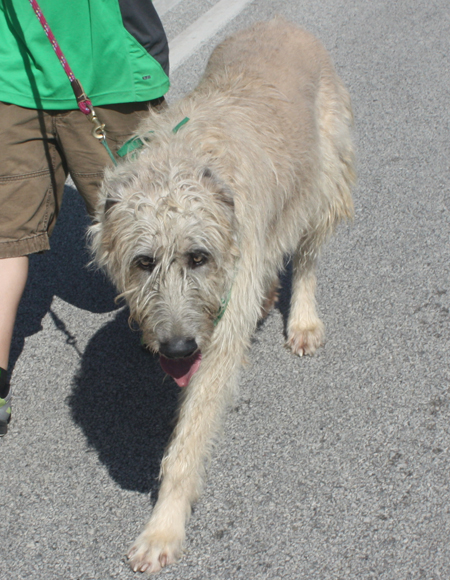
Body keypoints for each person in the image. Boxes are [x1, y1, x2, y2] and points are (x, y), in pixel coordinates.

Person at [0, 0, 170, 435]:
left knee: (151, 224)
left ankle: (169, 324)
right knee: (148, 224)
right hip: (59, 73)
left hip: (76, 75)